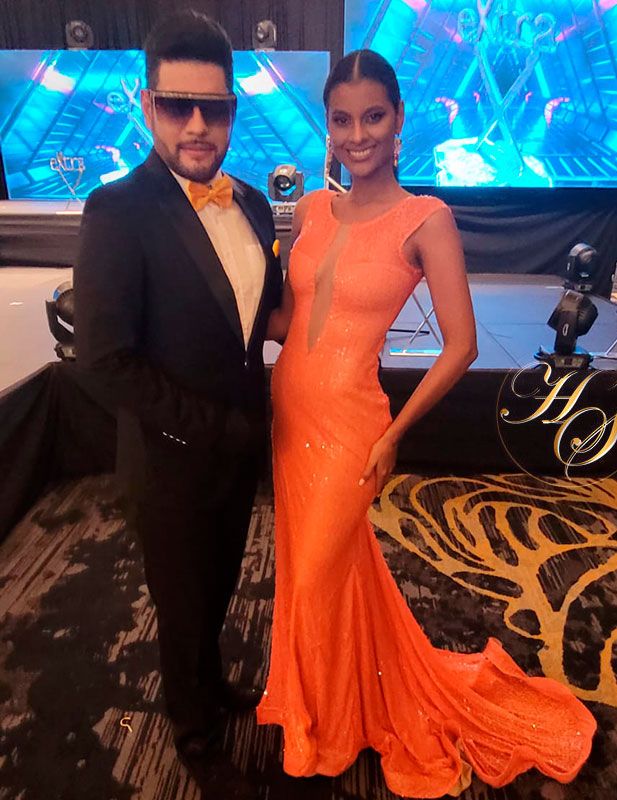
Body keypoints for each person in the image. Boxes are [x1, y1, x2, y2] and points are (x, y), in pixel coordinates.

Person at [257, 49, 596, 798]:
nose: (358, 135)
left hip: (354, 427)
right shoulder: (308, 209)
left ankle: (327, 729)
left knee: (312, 580)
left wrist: (393, 435)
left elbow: (462, 344)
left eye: (373, 117)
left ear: (400, 119)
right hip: (291, 413)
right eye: (342, 120)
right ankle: (337, 704)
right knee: (328, 572)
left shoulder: (426, 219)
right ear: (328, 126)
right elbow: (284, 318)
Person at [74, 10, 282, 798]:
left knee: (220, 586)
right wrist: (212, 429)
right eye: (177, 105)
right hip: (169, 464)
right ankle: (193, 739)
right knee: (182, 605)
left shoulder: (253, 205)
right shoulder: (116, 211)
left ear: (232, 110)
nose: (197, 125)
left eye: (214, 108)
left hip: (238, 453)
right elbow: (104, 360)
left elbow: (257, 322)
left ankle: (211, 684)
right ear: (147, 104)